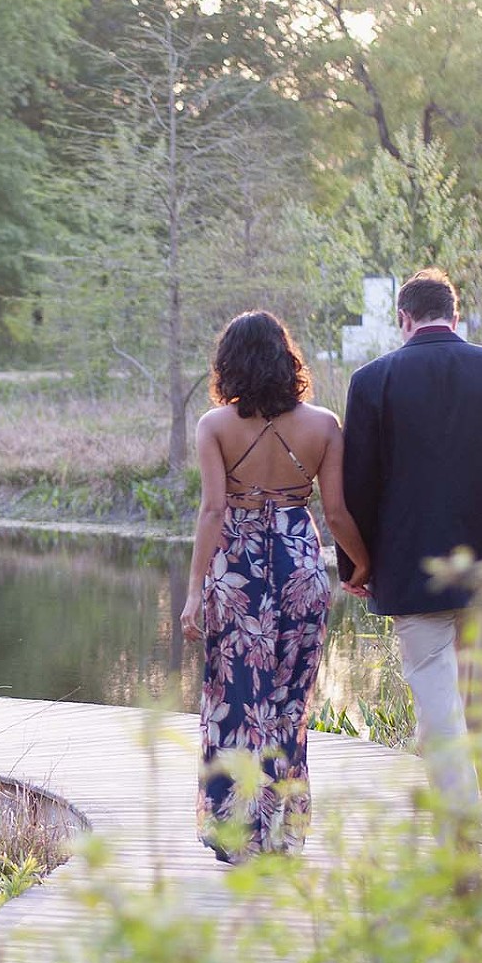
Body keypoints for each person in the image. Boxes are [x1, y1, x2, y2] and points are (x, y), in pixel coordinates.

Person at [338, 267, 482, 842]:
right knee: (477, 702)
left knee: (441, 707)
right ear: (455, 316)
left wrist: (355, 563)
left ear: (403, 320)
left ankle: (459, 828)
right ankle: (460, 820)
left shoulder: (371, 381)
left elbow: (355, 485)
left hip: (412, 571)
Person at [179, 311, 372, 863]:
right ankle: (282, 835)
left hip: (236, 569)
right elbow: (334, 513)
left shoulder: (214, 426)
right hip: (299, 566)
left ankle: (238, 838)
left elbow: (214, 509)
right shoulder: (324, 426)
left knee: (235, 703)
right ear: (288, 361)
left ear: (229, 365)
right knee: (288, 706)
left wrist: (194, 592)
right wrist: (363, 566)